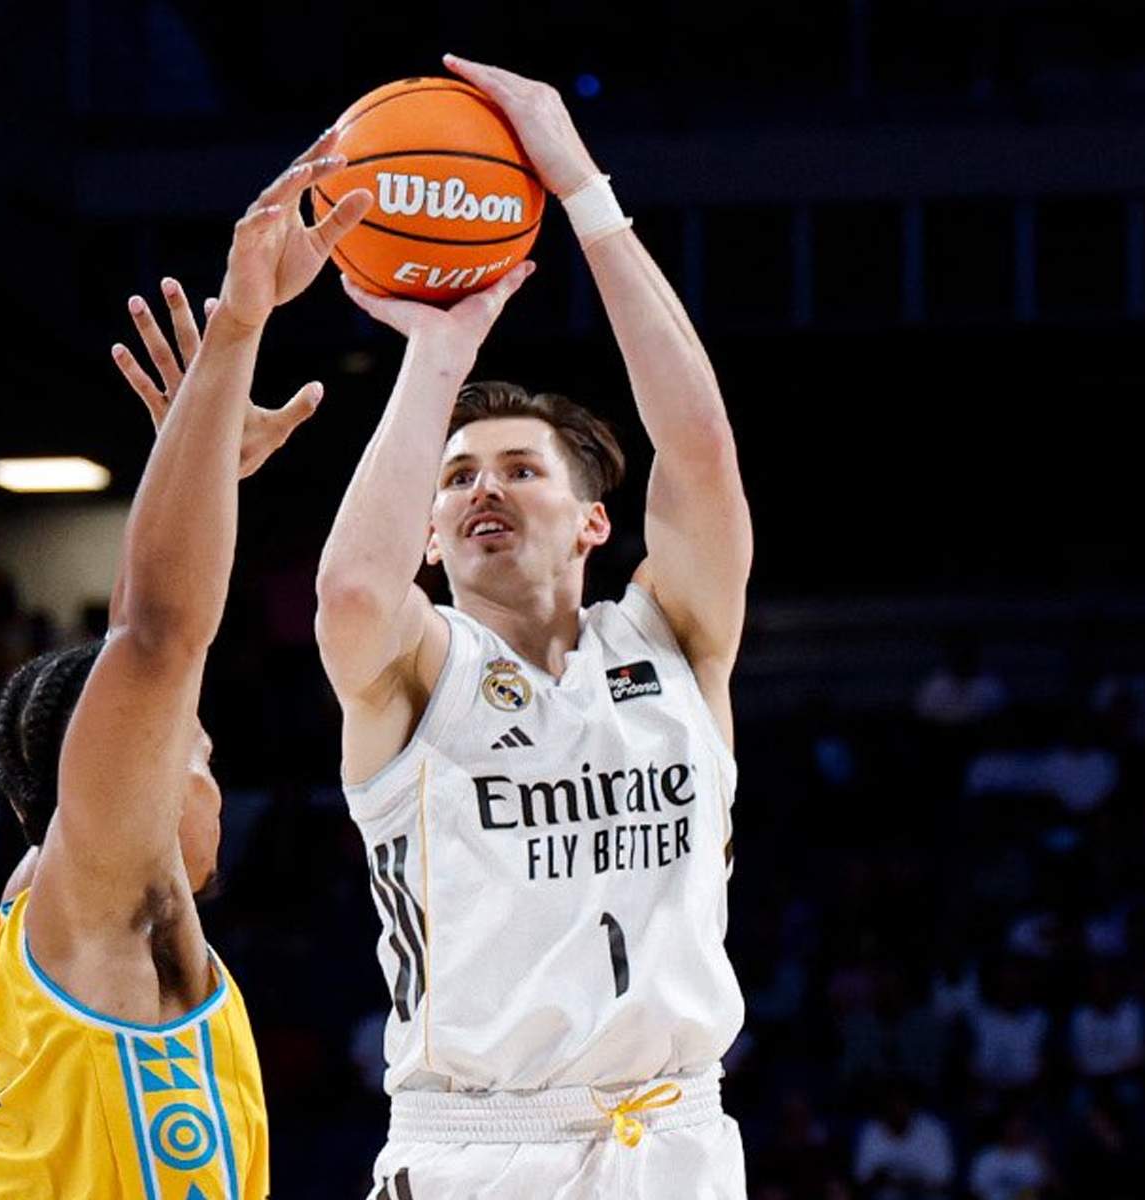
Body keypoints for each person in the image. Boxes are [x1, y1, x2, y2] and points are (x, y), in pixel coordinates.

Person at [314, 54, 754, 1196]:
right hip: (474, 1148)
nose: (481, 491)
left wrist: (580, 192)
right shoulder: (416, 671)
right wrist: (439, 352)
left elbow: (700, 452)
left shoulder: (672, 641)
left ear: (593, 524)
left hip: (674, 1140)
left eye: (518, 469)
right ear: (427, 534)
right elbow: (353, 597)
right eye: (455, 478)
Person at [0, 131, 372, 1200]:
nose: (214, 787)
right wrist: (237, 328)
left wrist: (198, 448)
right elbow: (155, 640)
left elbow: (140, 637)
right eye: (202, 756)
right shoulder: (99, 898)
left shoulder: (39, 913)